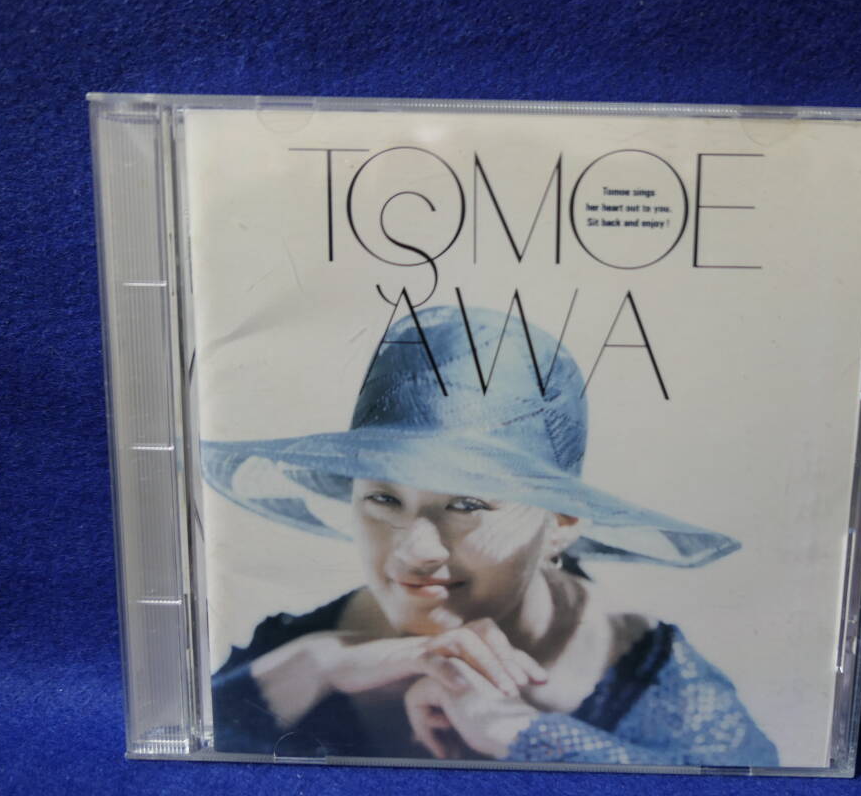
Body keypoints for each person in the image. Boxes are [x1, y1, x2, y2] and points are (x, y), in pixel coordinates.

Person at [202, 303, 778, 766]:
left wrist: (522, 735)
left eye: (466, 504)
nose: (415, 551)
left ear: (561, 523)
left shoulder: (656, 682)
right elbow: (187, 763)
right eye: (383, 498)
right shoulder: (292, 650)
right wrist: (321, 663)